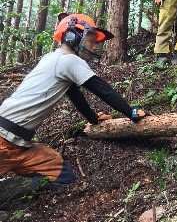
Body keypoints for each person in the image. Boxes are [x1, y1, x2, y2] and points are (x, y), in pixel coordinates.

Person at [0, 13, 145, 193]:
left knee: (63, 175)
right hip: (3, 137)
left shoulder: (54, 60)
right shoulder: (68, 60)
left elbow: (74, 94)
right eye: (91, 41)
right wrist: (130, 112)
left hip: (20, 145)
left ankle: (8, 192)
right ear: (72, 37)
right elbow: (103, 90)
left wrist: (93, 118)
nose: (94, 47)